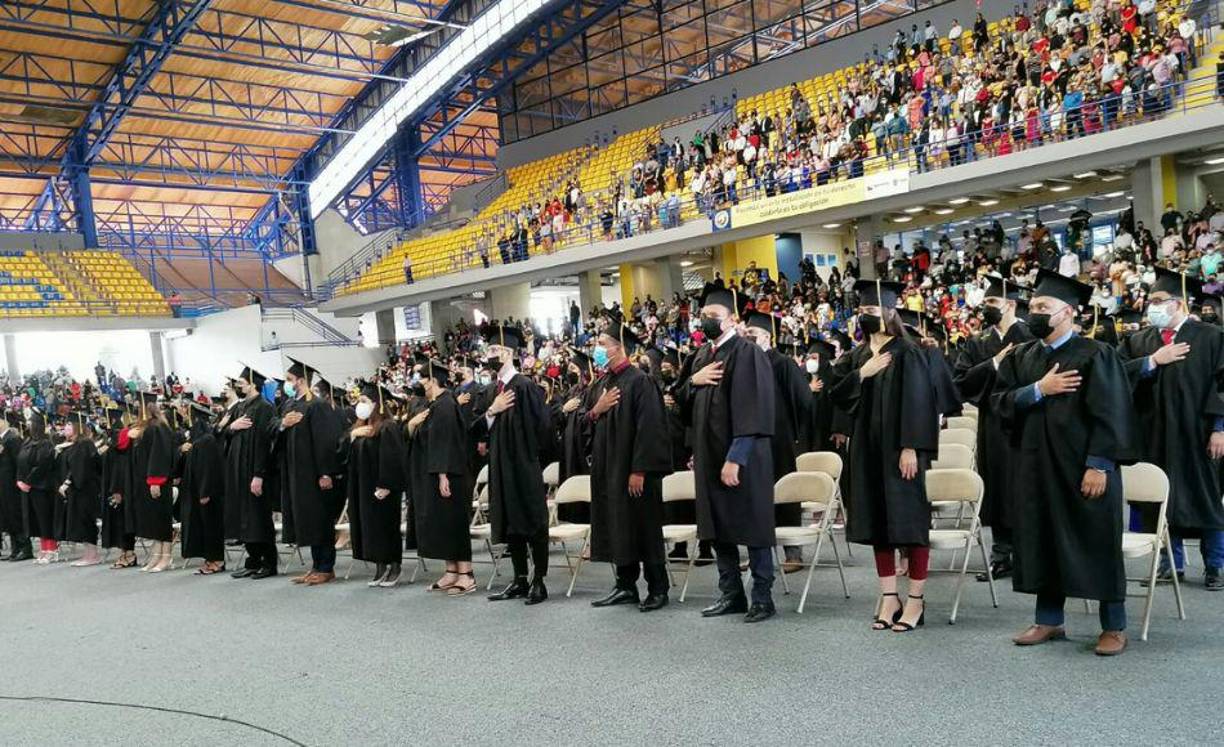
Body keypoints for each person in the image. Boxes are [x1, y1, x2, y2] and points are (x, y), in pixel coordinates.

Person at [993, 270, 1139, 656]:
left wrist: (1100, 464)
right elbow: (999, 402)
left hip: (1083, 469)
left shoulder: (1096, 354)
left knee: (1097, 540)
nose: (1035, 313)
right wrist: (1039, 390)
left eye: (1044, 307)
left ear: (1069, 313)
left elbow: (1112, 413)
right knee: (1043, 539)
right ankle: (1049, 620)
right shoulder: (1023, 356)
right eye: (1033, 307)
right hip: (1036, 466)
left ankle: (1114, 626)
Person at [829, 280, 939, 633]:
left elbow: (920, 401)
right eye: (861, 311)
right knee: (878, 524)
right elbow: (835, 392)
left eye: (871, 311)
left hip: (900, 450)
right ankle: (889, 596)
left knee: (910, 524)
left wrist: (911, 447)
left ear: (889, 312)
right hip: (867, 449)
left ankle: (917, 601)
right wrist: (863, 373)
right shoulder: (858, 356)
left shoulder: (908, 351)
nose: (865, 316)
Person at [1117, 268, 1224, 590]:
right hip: (1153, 434)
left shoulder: (1211, 337)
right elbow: (1116, 375)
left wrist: (1220, 428)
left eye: (1159, 300)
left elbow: (1222, 385)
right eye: (1150, 300)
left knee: (1205, 499)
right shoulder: (1139, 341)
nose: (1152, 306)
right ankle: (1170, 564)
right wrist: (1152, 361)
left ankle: (1214, 566)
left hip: (1198, 434)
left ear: (1179, 304)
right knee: (1158, 499)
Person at [679, 286, 778, 623]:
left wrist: (736, 457)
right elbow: (678, 400)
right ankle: (731, 593)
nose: (706, 321)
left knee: (752, 524)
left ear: (732, 319)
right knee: (717, 525)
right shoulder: (701, 357)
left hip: (743, 457)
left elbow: (755, 409)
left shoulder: (747, 353)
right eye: (704, 315)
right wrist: (694, 380)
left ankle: (762, 597)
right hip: (709, 455)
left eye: (713, 317)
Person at [586, 322, 673, 612]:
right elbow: (587, 421)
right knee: (618, 525)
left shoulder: (640, 381)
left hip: (635, 471)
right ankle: (625, 585)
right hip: (609, 470)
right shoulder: (601, 384)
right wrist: (598, 409)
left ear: (619, 346)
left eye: (602, 343)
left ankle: (658, 587)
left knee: (644, 527)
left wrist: (640, 470)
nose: (598, 349)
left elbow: (651, 429)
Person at [953, 277, 1035, 581]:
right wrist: (994, 363)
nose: (985, 308)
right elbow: (960, 382)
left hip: (1027, 424)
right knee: (998, 486)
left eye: (991, 303)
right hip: (992, 424)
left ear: (1010, 304)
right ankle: (1001, 553)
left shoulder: (1030, 336)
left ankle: (1028, 553)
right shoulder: (977, 342)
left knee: (1025, 486)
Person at [474, 323, 552, 605]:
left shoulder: (525, 386)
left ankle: (539, 581)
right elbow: (474, 428)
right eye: (489, 349)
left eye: (494, 349)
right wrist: (493, 411)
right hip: (500, 466)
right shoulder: (492, 391)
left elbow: (543, 428)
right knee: (510, 523)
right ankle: (519, 579)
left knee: (532, 521)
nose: (490, 354)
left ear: (508, 353)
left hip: (524, 465)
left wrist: (528, 458)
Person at [744, 312, 811, 574]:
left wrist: (792, 429)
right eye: (746, 335)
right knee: (755, 497)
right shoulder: (745, 363)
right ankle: (758, 554)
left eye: (754, 335)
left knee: (785, 494)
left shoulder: (782, 363)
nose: (749, 339)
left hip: (779, 439)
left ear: (767, 336)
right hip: (751, 438)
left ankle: (792, 551)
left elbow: (804, 399)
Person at [410, 359, 476, 593]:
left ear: (433, 380)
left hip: (450, 474)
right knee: (443, 523)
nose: (419, 382)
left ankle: (466, 574)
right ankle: (451, 571)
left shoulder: (446, 404)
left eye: (422, 378)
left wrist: (443, 474)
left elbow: (446, 443)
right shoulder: (437, 404)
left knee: (453, 523)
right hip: (437, 471)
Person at [279, 359, 345, 586]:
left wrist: (326, 473)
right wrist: (282, 424)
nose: (286, 384)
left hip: (315, 474)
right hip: (297, 474)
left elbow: (326, 442)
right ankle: (316, 566)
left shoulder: (317, 405)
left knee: (320, 520)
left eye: (289, 380)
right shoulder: (289, 405)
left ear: (301, 380)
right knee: (309, 520)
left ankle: (326, 567)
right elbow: (274, 432)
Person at [345, 382, 407, 588]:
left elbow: (393, 457)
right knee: (371, 527)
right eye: (359, 401)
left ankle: (395, 566)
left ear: (377, 404)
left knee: (386, 526)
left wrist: (386, 484)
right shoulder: (360, 427)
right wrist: (353, 436)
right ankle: (380, 566)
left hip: (382, 486)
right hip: (363, 486)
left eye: (364, 401)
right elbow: (346, 453)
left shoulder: (388, 427)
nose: (359, 405)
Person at [224, 365, 279, 580]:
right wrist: (232, 427)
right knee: (244, 519)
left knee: (259, 518)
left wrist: (258, 474)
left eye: (241, 384)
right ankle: (253, 560)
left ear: (253, 384)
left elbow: (265, 444)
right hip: (238, 471)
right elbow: (226, 433)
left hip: (255, 471)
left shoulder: (264, 408)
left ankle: (268, 563)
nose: (238, 387)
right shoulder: (240, 408)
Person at [124, 392, 175, 573]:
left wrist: (155, 480)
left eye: (139, 405)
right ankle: (155, 556)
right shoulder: (146, 428)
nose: (137, 408)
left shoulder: (159, 427)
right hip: (145, 481)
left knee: (161, 519)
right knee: (153, 521)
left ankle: (166, 557)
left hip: (157, 481)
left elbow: (160, 455)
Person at [177, 400, 226, 574]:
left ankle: (217, 560)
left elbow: (208, 468)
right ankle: (209, 559)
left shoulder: (207, 440)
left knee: (211, 527)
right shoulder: (197, 440)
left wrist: (205, 491)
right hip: (196, 491)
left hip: (207, 493)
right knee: (203, 526)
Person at [57, 413, 101, 567]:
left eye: (69, 425)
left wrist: (67, 483)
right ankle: (88, 554)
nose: (66, 428)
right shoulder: (74, 445)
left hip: (86, 489)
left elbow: (81, 468)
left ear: (77, 427)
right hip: (78, 489)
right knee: (81, 521)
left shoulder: (84, 444)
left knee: (86, 520)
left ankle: (93, 555)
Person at [16, 411, 58, 564]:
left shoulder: (45, 444)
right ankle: (43, 548)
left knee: (45, 517)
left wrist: (28, 481)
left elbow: (42, 465)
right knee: (36, 519)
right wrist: (19, 480)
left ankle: (51, 549)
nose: (28, 425)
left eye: (31, 422)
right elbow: (19, 462)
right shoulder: (27, 442)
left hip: (42, 487)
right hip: (28, 487)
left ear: (38, 425)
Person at [0, 411, 32, 561]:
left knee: (16, 515)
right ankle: (15, 548)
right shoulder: (3, 439)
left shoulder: (12, 439)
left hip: (12, 485)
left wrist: (19, 480)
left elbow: (19, 462)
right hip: (4, 486)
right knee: (8, 516)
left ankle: (25, 548)